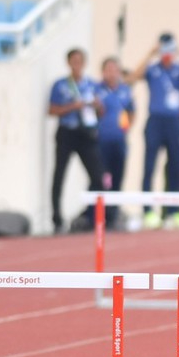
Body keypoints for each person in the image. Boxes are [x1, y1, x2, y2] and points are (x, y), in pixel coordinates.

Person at [129, 35, 179, 229]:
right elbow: (132, 78)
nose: (166, 53)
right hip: (155, 121)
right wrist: (151, 52)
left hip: (174, 122)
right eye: (164, 48)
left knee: (176, 167)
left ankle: (174, 212)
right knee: (149, 167)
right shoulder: (153, 68)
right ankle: (148, 211)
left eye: (169, 48)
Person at [46, 48, 103, 234]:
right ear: (69, 63)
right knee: (59, 175)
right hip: (67, 132)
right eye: (74, 61)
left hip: (86, 134)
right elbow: (52, 110)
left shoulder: (92, 85)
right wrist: (73, 106)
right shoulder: (60, 85)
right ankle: (57, 219)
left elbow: (101, 112)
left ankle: (89, 216)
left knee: (97, 177)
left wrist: (96, 105)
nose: (77, 64)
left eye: (80, 60)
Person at [93, 55, 134, 192]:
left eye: (114, 70)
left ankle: (113, 211)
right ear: (103, 72)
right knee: (102, 176)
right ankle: (97, 211)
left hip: (119, 140)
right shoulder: (96, 89)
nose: (111, 73)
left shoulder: (125, 90)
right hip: (101, 139)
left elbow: (131, 110)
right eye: (108, 69)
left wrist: (126, 128)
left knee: (118, 175)